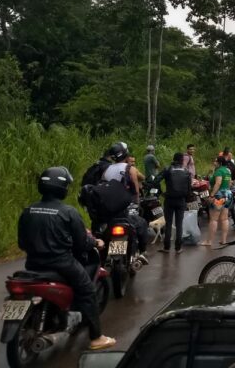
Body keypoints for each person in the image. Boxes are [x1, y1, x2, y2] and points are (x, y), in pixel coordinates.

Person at [18, 167, 116, 350]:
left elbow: (22, 243)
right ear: (62, 188)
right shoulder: (68, 212)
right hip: (62, 264)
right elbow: (82, 243)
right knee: (88, 290)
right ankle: (96, 338)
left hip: (33, 264)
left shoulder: (28, 210)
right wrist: (96, 242)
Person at [99, 143, 149, 263]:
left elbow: (102, 187)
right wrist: (137, 203)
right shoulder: (130, 169)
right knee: (141, 223)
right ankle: (142, 252)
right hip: (126, 207)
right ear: (125, 154)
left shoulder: (106, 170)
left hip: (110, 209)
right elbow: (136, 191)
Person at [154, 152, 192, 254]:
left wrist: (161, 192)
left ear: (173, 159)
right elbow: (189, 189)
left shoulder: (167, 169)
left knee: (168, 223)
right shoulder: (186, 171)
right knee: (179, 224)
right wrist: (186, 200)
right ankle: (178, 248)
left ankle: (166, 247)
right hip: (181, 200)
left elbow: (156, 180)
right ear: (182, 160)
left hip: (169, 199)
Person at [202, 156, 233, 246]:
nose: (214, 163)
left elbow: (218, 183)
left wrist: (212, 195)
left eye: (215, 161)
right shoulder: (227, 171)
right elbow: (230, 183)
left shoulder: (219, 171)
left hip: (219, 196)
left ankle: (209, 241)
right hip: (228, 194)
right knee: (224, 218)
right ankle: (223, 240)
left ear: (220, 163)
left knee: (214, 219)